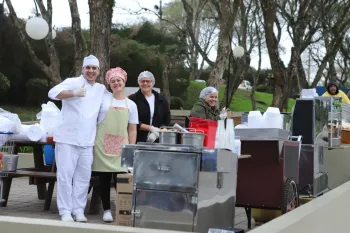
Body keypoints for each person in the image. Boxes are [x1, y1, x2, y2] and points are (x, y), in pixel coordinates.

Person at [48, 55, 106, 222]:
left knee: (83, 177)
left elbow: (112, 102)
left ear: (98, 71)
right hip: (67, 138)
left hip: (87, 140)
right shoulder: (73, 82)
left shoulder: (101, 89)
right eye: (88, 68)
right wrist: (73, 93)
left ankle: (78, 209)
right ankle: (65, 211)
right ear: (83, 69)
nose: (91, 71)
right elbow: (52, 93)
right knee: (65, 176)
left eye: (94, 68)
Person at [91, 67, 138, 222]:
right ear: (109, 84)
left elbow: (132, 129)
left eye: (119, 80)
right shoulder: (103, 100)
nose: (116, 83)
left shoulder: (131, 104)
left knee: (121, 178)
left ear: (124, 82)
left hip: (121, 146)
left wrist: (131, 148)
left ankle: (122, 209)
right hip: (102, 144)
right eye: (113, 81)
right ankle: (106, 210)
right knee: (104, 179)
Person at [128, 71, 171, 143]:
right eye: (142, 81)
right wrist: (150, 128)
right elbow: (130, 120)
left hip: (158, 141)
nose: (145, 83)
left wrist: (157, 132)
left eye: (148, 81)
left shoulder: (161, 100)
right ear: (139, 82)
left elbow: (166, 120)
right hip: (137, 139)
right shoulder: (132, 99)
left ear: (153, 83)